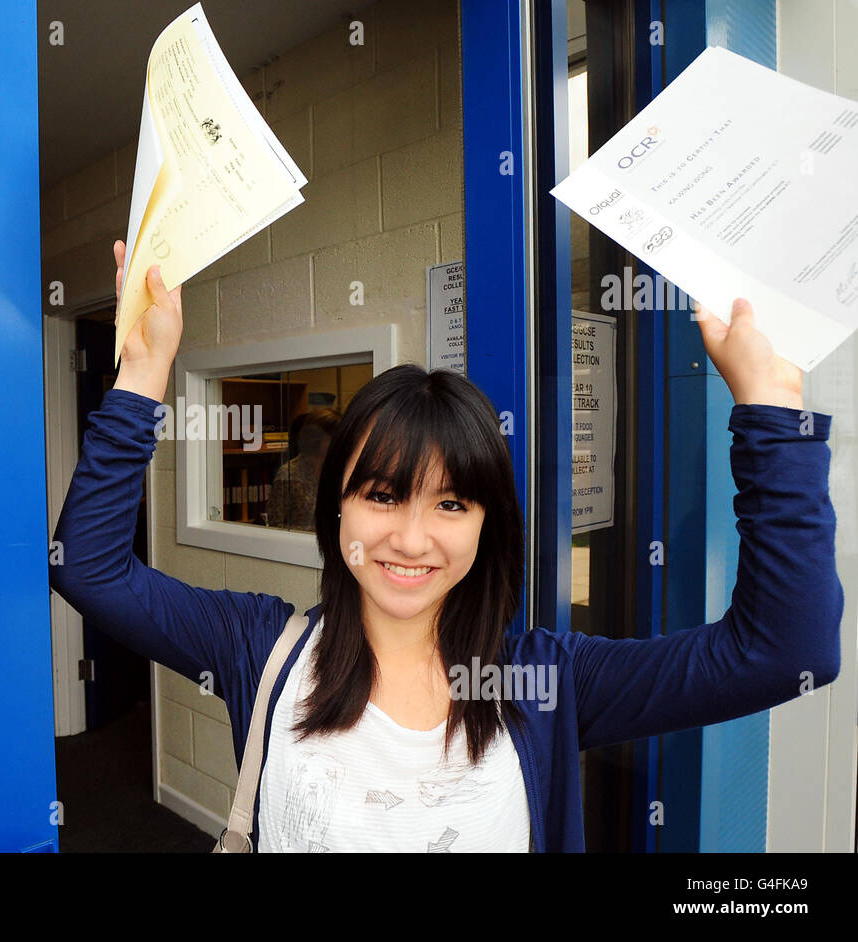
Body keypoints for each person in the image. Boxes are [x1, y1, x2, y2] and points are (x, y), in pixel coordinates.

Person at [48, 239, 843, 852]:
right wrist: (144, 375)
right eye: (382, 495)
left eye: (452, 503)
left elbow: (783, 650)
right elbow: (87, 567)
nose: (411, 538)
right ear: (336, 513)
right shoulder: (260, 647)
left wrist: (774, 418)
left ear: (485, 523)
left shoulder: (544, 682)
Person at [266, 407, 341, 531]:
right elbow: (275, 525)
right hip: (298, 546)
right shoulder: (289, 473)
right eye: (333, 437)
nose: (338, 443)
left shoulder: (337, 471)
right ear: (317, 439)